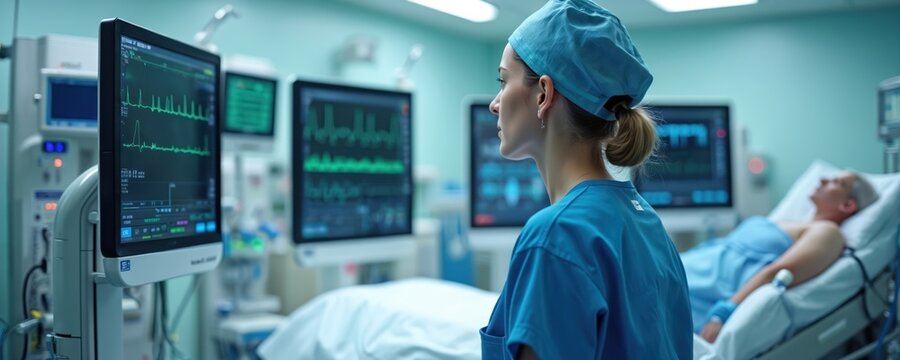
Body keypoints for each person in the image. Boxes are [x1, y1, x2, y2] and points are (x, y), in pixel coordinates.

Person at [479, 0, 692, 358]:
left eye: (503, 81)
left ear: (543, 94)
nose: (495, 104)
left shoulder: (554, 236)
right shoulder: (645, 220)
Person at [686, 171, 879, 343]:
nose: (822, 179)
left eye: (836, 182)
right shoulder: (792, 223)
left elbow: (779, 272)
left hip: (706, 290)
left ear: (847, 205)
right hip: (693, 269)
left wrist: (723, 313)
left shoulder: (828, 232)